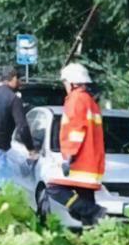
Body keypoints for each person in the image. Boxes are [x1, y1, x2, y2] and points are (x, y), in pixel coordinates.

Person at [42, 62, 106, 227]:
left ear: (72, 82)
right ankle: (91, 237)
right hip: (92, 162)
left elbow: (75, 131)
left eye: (64, 82)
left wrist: (68, 157)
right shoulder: (90, 101)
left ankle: (92, 210)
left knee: (53, 187)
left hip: (80, 162)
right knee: (85, 204)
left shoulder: (76, 99)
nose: (64, 86)